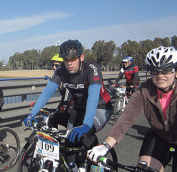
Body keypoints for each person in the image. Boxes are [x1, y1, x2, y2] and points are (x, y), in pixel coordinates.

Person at [24, 39, 112, 168]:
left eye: (73, 59)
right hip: (79, 108)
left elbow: (93, 97)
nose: (69, 63)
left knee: (85, 133)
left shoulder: (92, 68)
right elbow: (47, 92)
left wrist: (87, 124)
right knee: (70, 141)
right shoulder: (61, 71)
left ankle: (96, 163)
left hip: (100, 107)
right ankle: (74, 165)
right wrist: (32, 113)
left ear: (81, 57)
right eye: (66, 60)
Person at [88, 46, 177, 172]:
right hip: (159, 136)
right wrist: (106, 144)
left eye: (166, 70)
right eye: (155, 71)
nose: (160, 75)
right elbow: (127, 117)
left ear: (176, 72)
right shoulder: (145, 89)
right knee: (144, 169)